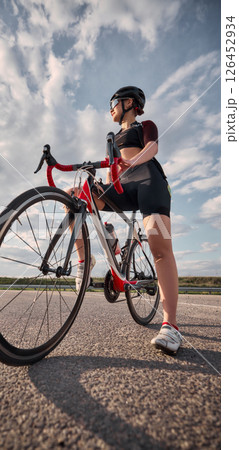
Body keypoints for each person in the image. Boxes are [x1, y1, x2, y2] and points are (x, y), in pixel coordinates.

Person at [68, 86, 182, 354]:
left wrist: (132, 163)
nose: (110, 108)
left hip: (149, 181)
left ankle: (171, 326)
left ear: (129, 102)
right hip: (123, 185)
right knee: (74, 196)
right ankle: (86, 260)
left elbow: (152, 148)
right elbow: (111, 176)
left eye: (113, 103)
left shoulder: (146, 126)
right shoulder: (113, 137)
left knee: (159, 245)